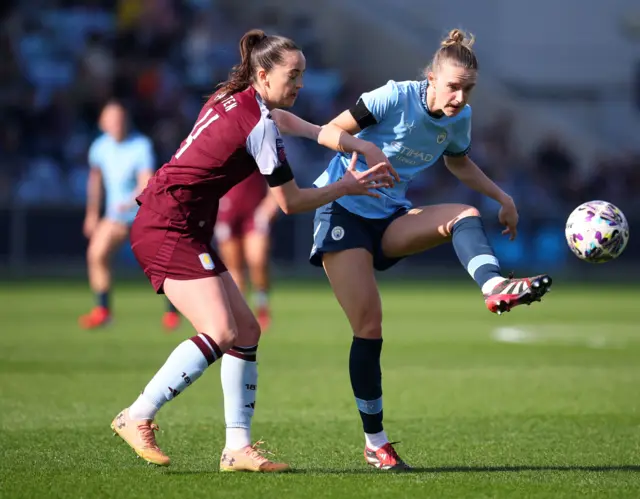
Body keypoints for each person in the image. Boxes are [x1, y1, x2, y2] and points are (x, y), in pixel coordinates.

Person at [109, 29, 392, 472]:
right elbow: (290, 202)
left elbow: (293, 123)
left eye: (302, 75)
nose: (300, 84)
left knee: (245, 332)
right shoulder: (258, 125)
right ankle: (138, 414)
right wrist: (347, 185)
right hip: (167, 225)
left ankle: (237, 448)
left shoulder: (237, 95)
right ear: (263, 74)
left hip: (182, 223)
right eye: (293, 76)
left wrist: (352, 141)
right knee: (221, 331)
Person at [278, 29, 553, 470]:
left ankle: (495, 285)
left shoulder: (459, 118)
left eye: (468, 89)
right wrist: (362, 148)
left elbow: (458, 161)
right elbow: (331, 131)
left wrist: (502, 198)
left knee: (463, 214)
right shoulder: (392, 97)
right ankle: (376, 442)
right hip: (342, 211)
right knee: (369, 325)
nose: (460, 97)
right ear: (431, 78)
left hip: (389, 216)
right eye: (453, 86)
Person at [79, 100, 181, 331]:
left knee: (160, 266)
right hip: (115, 216)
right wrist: (92, 214)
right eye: (111, 120)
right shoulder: (100, 147)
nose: (116, 124)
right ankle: (103, 310)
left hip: (142, 215)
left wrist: (130, 202)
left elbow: (146, 181)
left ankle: (172, 311)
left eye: (120, 119)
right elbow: (95, 182)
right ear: (102, 123)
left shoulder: (140, 145)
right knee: (96, 255)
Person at [214, 170, 280, 331]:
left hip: (254, 211)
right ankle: (241, 314)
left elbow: (276, 175)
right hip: (227, 211)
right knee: (234, 268)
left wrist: (270, 203)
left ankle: (262, 305)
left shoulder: (256, 146)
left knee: (258, 260)